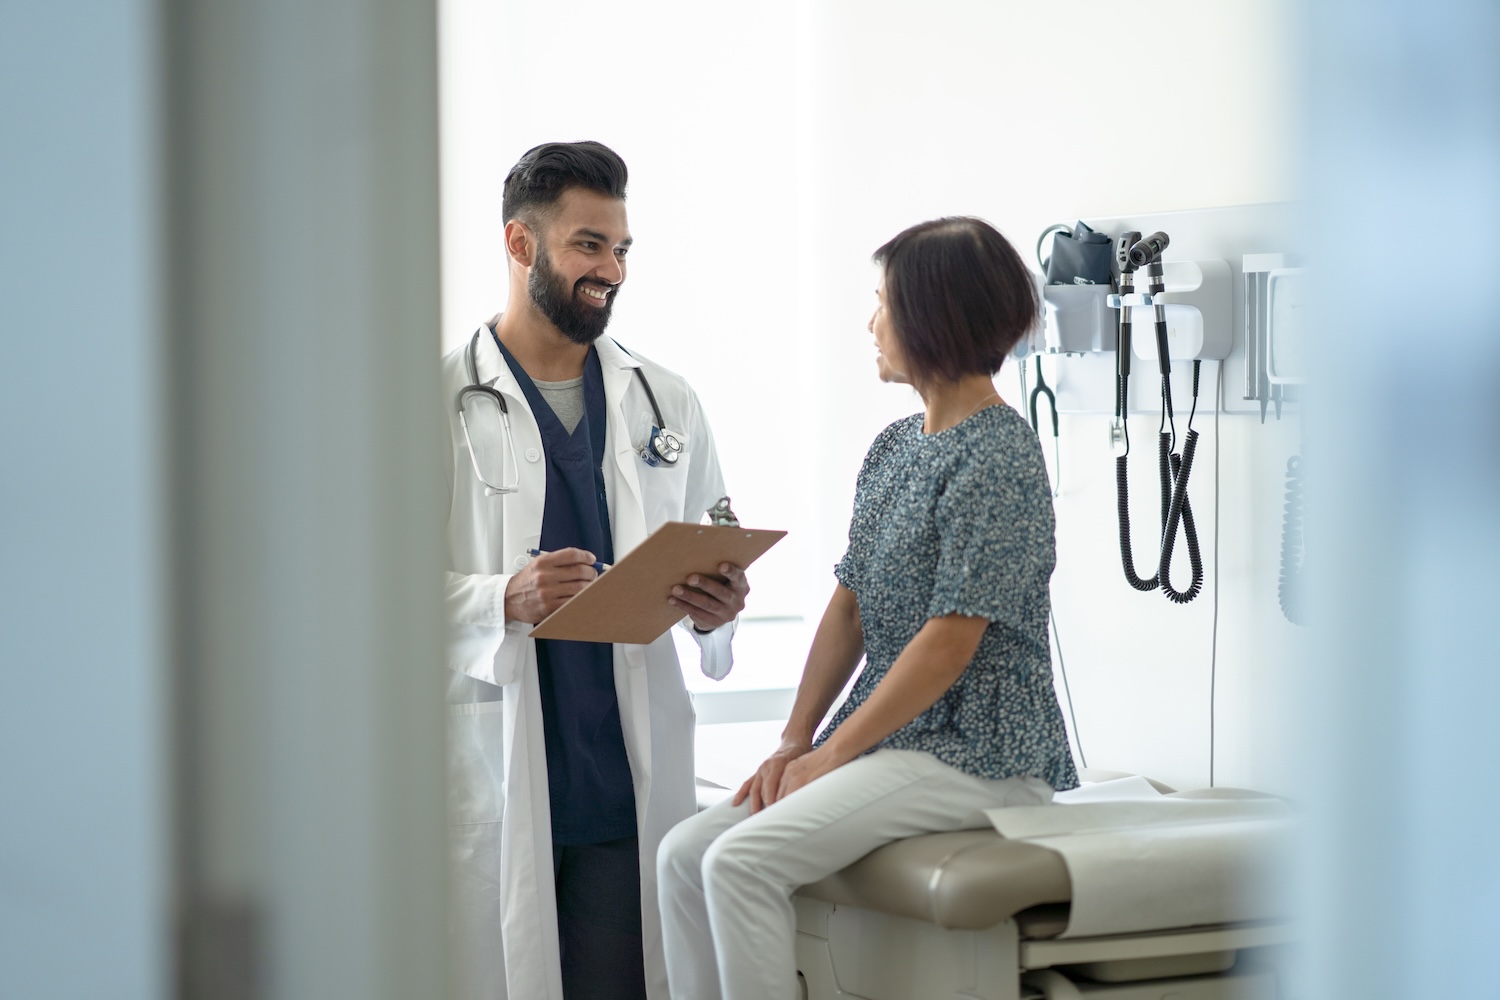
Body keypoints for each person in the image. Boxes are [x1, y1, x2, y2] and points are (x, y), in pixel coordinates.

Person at [657, 217, 1079, 1000]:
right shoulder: (894, 446)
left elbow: (949, 642)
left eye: (882, 301)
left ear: (932, 316)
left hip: (981, 752)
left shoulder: (1000, 454)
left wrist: (833, 754)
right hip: (902, 741)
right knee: (683, 854)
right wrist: (794, 739)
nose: (871, 322)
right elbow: (848, 609)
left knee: (741, 860)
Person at [441, 140, 749, 1000]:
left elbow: (710, 538)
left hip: (622, 784)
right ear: (520, 245)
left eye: (621, 249)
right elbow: (363, 595)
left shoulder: (665, 399)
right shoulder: (434, 403)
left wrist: (717, 605)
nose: (610, 268)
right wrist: (502, 595)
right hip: (500, 774)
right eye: (588, 245)